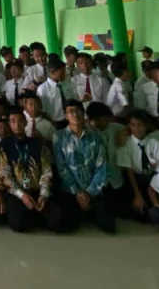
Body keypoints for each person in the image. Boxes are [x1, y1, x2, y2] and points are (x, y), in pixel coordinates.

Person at [51, 100, 114, 233]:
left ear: (83, 113)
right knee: (63, 225)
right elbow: (62, 169)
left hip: (93, 189)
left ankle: (88, 209)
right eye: (70, 111)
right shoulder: (59, 137)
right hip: (71, 190)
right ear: (66, 116)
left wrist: (89, 192)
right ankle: (83, 210)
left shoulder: (96, 137)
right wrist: (79, 193)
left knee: (109, 226)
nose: (75, 114)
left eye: (78, 111)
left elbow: (102, 168)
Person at [0, 109, 54, 233]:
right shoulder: (4, 145)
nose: (17, 124)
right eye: (13, 121)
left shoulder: (38, 144)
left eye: (20, 121)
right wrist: (22, 196)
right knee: (19, 223)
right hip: (17, 193)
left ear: (25, 122)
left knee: (57, 220)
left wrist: (44, 195)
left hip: (36, 190)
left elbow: (46, 170)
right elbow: (5, 175)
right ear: (9, 124)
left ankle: (36, 210)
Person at [36, 59, 74, 127]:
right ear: (53, 72)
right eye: (62, 72)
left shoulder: (65, 84)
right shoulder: (42, 89)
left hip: (69, 121)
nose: (65, 74)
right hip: (54, 123)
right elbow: (42, 111)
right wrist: (51, 124)